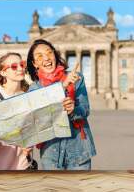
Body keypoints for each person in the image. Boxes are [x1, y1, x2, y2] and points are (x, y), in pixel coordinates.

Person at [26, 39, 96, 170]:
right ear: (34, 63)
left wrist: (73, 110)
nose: (46, 58)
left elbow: (85, 109)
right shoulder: (34, 88)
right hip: (51, 153)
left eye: (49, 53)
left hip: (79, 150)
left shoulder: (76, 78)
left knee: (80, 190)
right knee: (55, 190)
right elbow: (37, 116)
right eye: (40, 56)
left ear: (55, 55)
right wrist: (63, 86)